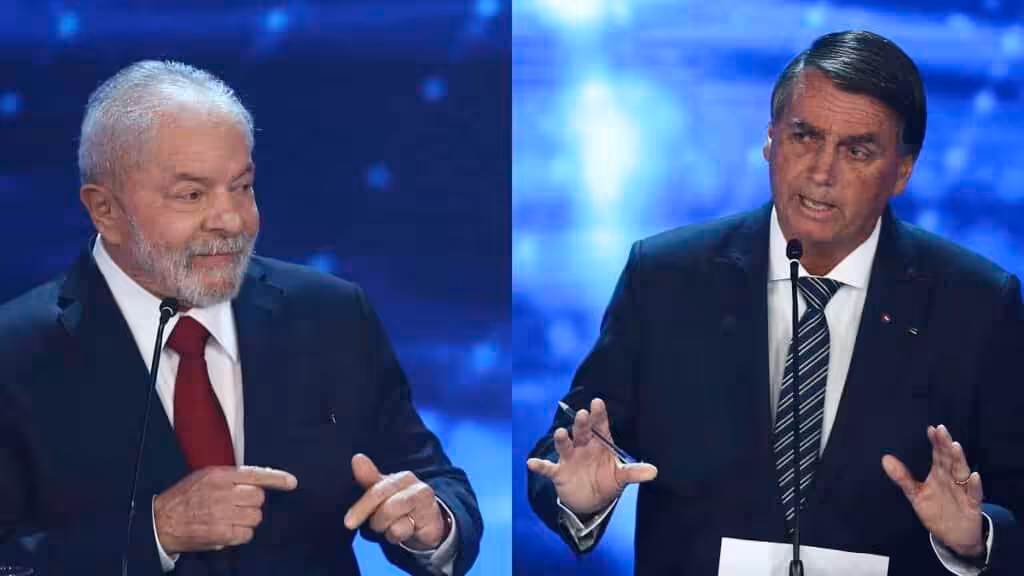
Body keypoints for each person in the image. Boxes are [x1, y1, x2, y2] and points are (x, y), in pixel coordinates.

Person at [527, 30, 1023, 575]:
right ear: (770, 139)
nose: (820, 172)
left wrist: (977, 537)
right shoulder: (666, 278)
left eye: (856, 150)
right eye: (804, 137)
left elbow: (1013, 507)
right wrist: (580, 496)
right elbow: (566, 449)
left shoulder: (977, 303)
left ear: (903, 170)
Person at [0, 60, 482, 576]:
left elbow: (434, 479)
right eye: (192, 195)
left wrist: (433, 525)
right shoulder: (16, 352)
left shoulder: (331, 314)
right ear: (105, 211)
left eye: (243, 186)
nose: (231, 220)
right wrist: (154, 532)